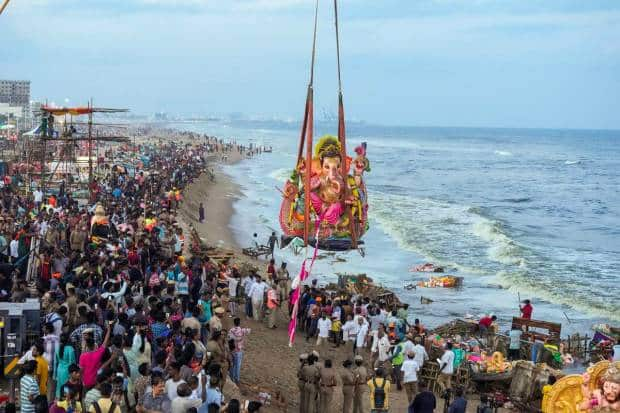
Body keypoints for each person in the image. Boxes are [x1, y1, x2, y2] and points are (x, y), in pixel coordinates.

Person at [228, 317, 251, 385]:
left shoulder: (231, 330)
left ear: (234, 323)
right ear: (239, 323)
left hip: (232, 350)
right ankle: (237, 379)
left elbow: (229, 339)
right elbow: (249, 330)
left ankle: (232, 378)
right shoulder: (242, 330)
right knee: (238, 365)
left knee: (232, 364)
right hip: (239, 350)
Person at [55, 333, 77, 399]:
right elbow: (72, 363)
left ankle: (59, 400)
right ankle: (66, 401)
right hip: (67, 371)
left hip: (59, 370)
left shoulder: (57, 348)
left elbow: (56, 361)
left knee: (59, 386)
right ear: (68, 339)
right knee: (66, 387)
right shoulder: (70, 349)